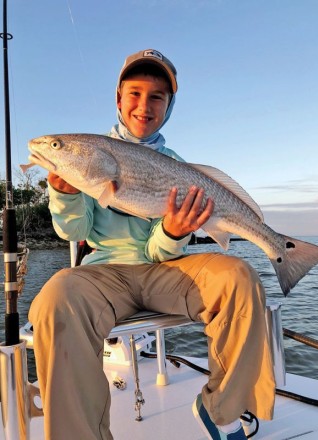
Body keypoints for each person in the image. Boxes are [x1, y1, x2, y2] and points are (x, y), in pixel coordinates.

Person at [29, 48, 275, 440]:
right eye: (135, 94)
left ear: (169, 106)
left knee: (238, 277)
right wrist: (65, 192)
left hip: (167, 270)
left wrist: (176, 232)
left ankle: (223, 410)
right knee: (56, 296)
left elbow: (159, 252)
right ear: (118, 99)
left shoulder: (179, 168)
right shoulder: (92, 156)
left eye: (157, 96)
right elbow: (74, 232)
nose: (144, 106)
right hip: (106, 273)